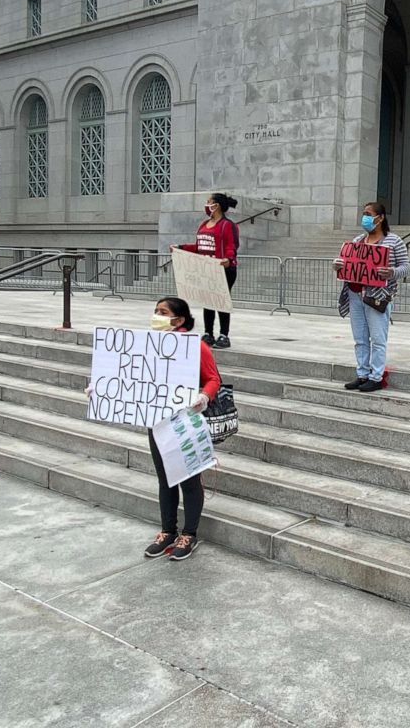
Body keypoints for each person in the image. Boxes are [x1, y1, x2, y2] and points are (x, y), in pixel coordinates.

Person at [143, 297, 221, 561]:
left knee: (188, 479)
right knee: (165, 478)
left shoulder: (196, 346)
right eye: (155, 311)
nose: (157, 316)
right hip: (157, 421)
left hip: (186, 422)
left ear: (179, 319)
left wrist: (204, 397)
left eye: (162, 312)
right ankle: (167, 530)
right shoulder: (149, 344)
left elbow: (213, 378)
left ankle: (189, 533)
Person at [333, 202, 409, 393]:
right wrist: (338, 265)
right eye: (363, 214)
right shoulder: (358, 240)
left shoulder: (394, 241)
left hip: (377, 296)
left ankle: (376, 376)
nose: (365, 218)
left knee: (377, 338)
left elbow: (405, 267)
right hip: (355, 294)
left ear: (380, 218)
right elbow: (347, 261)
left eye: (368, 214)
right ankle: (362, 374)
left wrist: (391, 272)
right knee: (360, 338)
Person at [171, 192, 239, 349]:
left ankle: (224, 335)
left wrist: (228, 260)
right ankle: (208, 333)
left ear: (216, 206)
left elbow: (232, 245)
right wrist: (180, 247)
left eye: (209, 202)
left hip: (222, 269)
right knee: (207, 301)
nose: (206, 205)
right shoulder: (203, 224)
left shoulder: (227, 225)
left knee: (221, 301)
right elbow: (199, 247)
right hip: (206, 269)